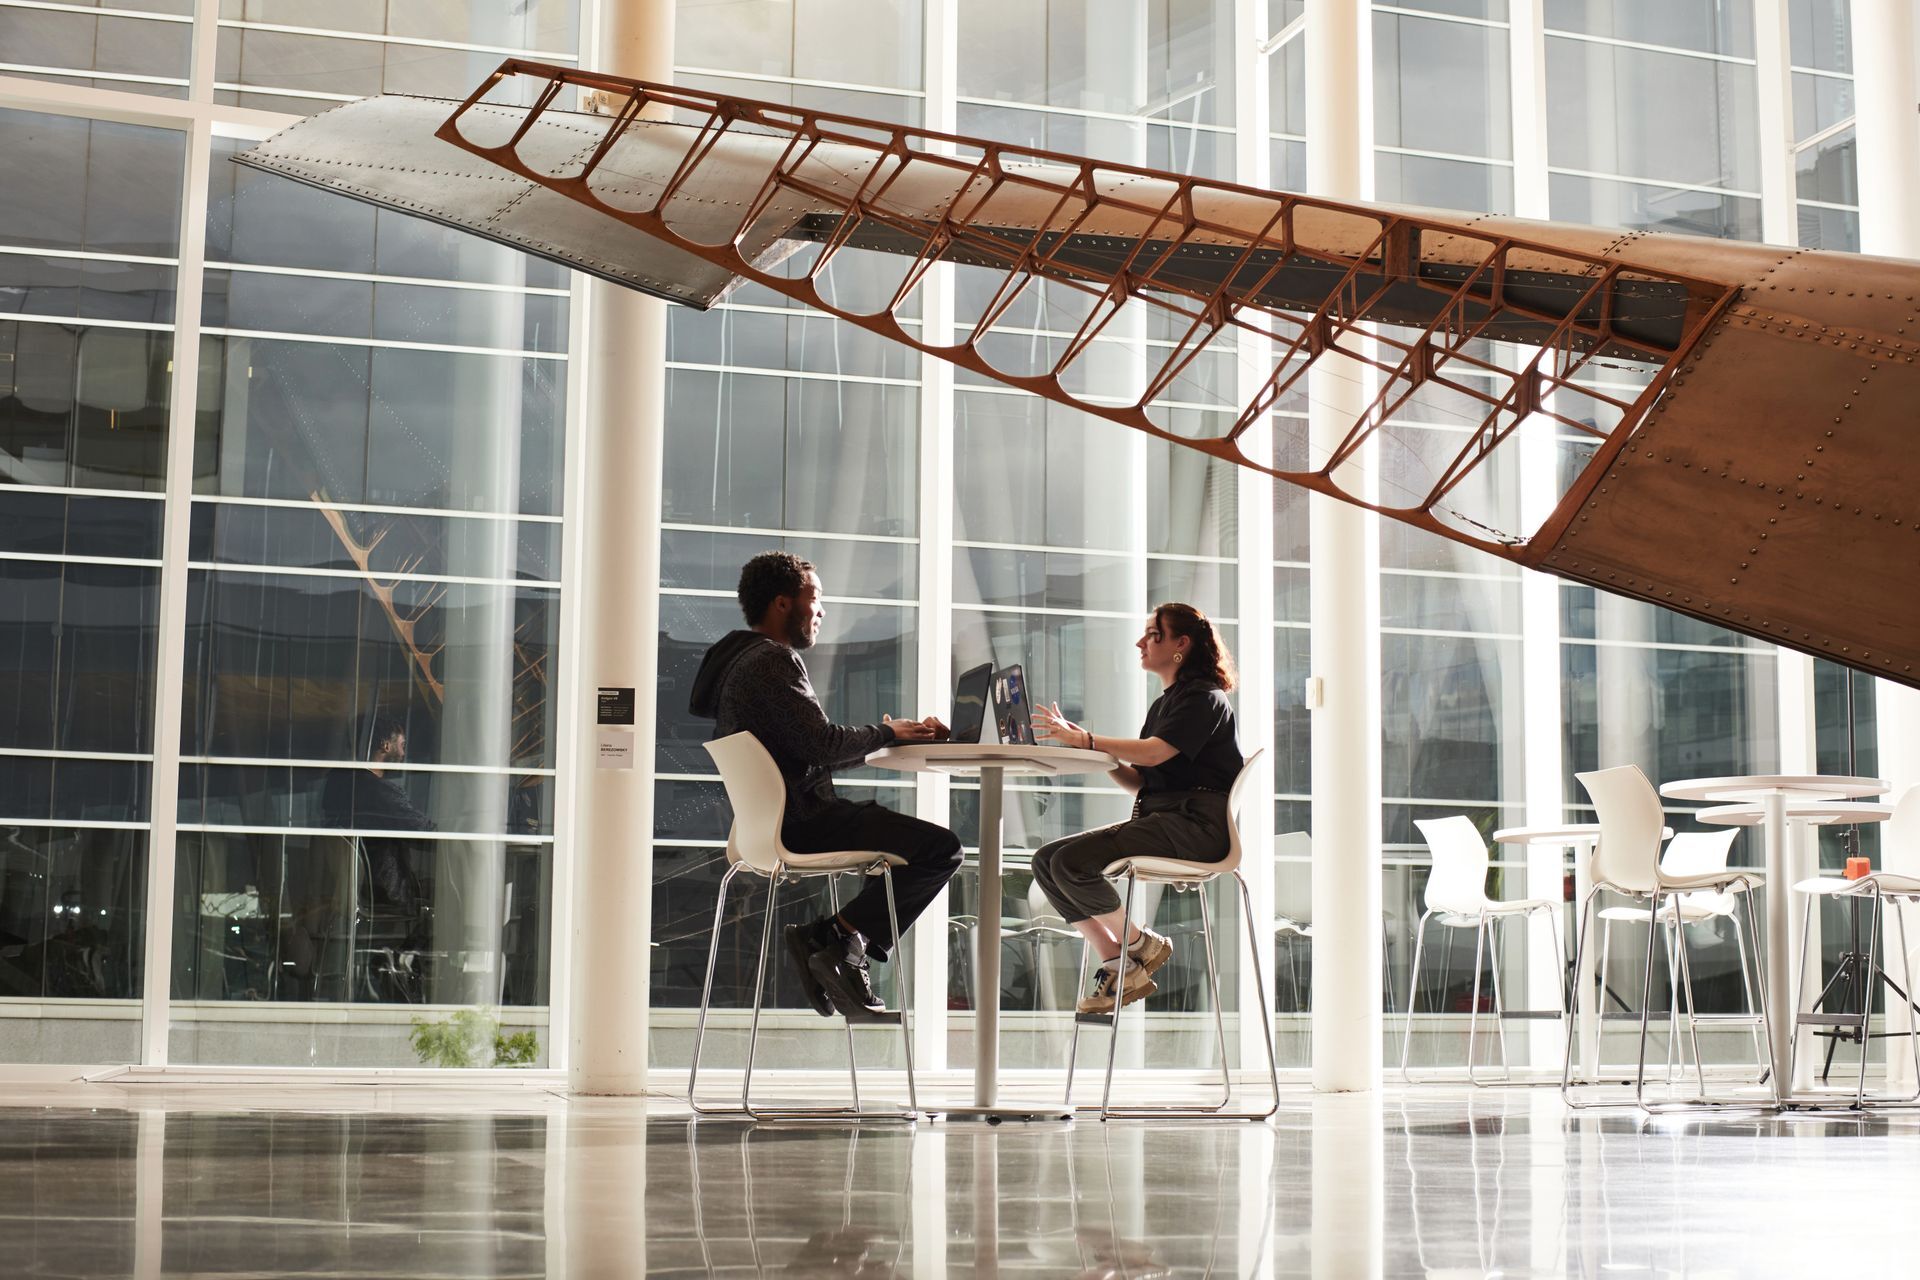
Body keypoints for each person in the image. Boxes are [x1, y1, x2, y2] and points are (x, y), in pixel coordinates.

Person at [688, 551, 964, 1019]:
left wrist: (885, 736)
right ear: (781, 603)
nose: (821, 611)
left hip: (771, 827)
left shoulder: (738, 663)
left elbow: (808, 749)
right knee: (943, 850)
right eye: (814, 598)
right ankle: (835, 936)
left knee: (903, 854)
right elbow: (820, 744)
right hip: (805, 824)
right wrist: (890, 733)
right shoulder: (772, 661)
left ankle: (842, 940)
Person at [1029, 603, 1244, 1015]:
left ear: (1181, 644)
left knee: (1072, 862)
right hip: (1169, 819)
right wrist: (1099, 755)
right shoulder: (1169, 702)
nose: (1140, 642)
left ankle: (1141, 944)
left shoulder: (1203, 698)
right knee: (1046, 860)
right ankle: (1119, 961)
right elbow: (1143, 780)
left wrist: (1091, 742)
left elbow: (1154, 753)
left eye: (1153, 634)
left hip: (1196, 827)